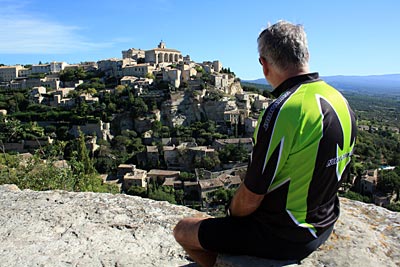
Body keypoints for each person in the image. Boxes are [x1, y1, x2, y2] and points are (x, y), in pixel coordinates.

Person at [173, 20, 357, 267]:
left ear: (264, 64)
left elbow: (250, 197)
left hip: (286, 236)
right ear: (306, 55)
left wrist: (230, 215)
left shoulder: (282, 110)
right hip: (325, 222)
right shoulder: (340, 100)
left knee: (183, 229)